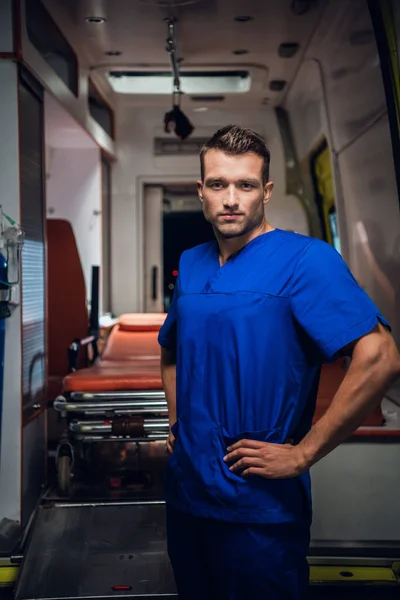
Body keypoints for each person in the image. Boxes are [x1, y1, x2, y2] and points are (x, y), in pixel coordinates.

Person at [158, 125, 400, 600]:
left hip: (257, 505)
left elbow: (381, 358)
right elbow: (172, 348)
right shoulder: (192, 262)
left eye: (245, 185)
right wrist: (176, 419)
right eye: (218, 184)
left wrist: (303, 453)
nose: (231, 199)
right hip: (187, 495)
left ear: (265, 192)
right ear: (201, 191)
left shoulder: (306, 260)